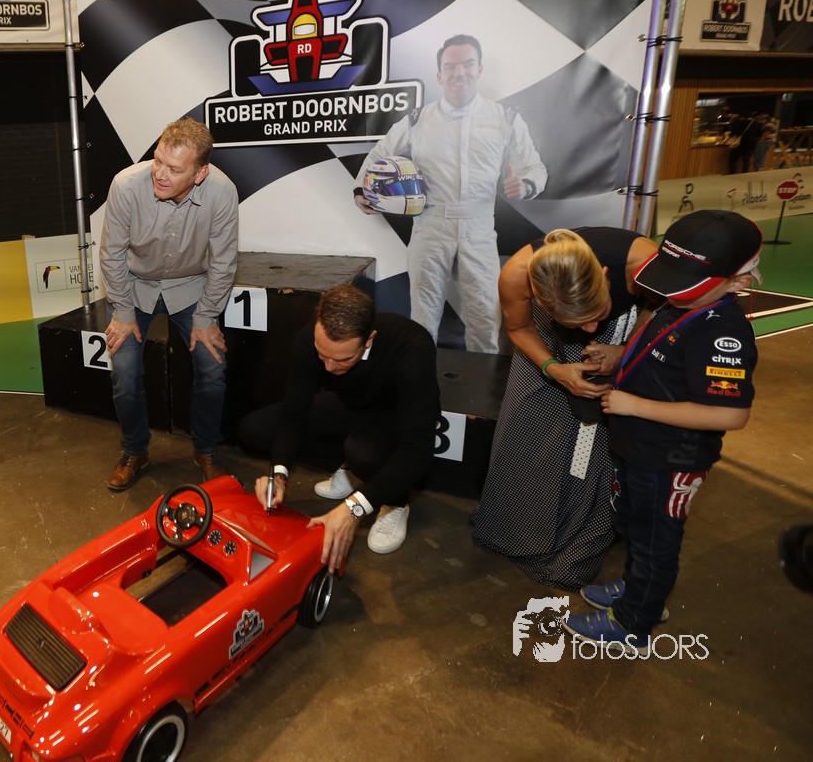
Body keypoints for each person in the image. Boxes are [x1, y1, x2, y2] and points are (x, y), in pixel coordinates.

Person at [566, 210, 762, 648]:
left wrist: (636, 405)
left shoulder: (723, 334)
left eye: (685, 282)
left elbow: (730, 415)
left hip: (670, 460)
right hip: (639, 450)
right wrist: (620, 355)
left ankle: (634, 622)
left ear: (739, 281)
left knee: (656, 542)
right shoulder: (681, 305)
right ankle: (639, 588)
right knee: (635, 527)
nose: (671, 290)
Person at [471, 227, 658, 589]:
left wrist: (625, 351)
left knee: (599, 434)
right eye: (578, 323)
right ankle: (513, 526)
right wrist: (553, 369)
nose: (590, 328)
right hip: (542, 335)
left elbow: (661, 310)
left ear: (605, 275)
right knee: (527, 425)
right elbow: (519, 327)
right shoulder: (516, 275)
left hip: (625, 329)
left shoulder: (643, 263)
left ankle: (579, 524)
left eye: (596, 314)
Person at [355, 34, 548, 353]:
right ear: (439, 74)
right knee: (423, 316)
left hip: (479, 228)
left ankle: (481, 383)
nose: (460, 72)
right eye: (451, 66)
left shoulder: (504, 118)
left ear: (480, 69)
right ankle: (419, 377)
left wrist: (526, 184)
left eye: (468, 64)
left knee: (485, 318)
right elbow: (380, 153)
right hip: (431, 226)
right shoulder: (418, 119)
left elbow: (533, 167)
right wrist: (362, 189)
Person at [242, 285, 440, 563]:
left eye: (343, 359)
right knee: (254, 430)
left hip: (394, 416)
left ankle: (393, 500)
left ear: (369, 339)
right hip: (349, 405)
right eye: (322, 355)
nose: (329, 368)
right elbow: (294, 412)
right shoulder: (309, 338)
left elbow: (418, 447)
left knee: (364, 453)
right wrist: (279, 475)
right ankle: (350, 466)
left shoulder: (412, 344)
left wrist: (354, 508)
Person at [99, 117, 238, 490]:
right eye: (158, 160)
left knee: (212, 369)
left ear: (200, 173)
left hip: (190, 288)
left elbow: (224, 261)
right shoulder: (126, 185)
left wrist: (206, 316)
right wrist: (123, 312)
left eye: (174, 169)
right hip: (133, 288)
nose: (160, 174)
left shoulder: (222, 192)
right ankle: (135, 451)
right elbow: (112, 254)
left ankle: (206, 451)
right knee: (124, 372)